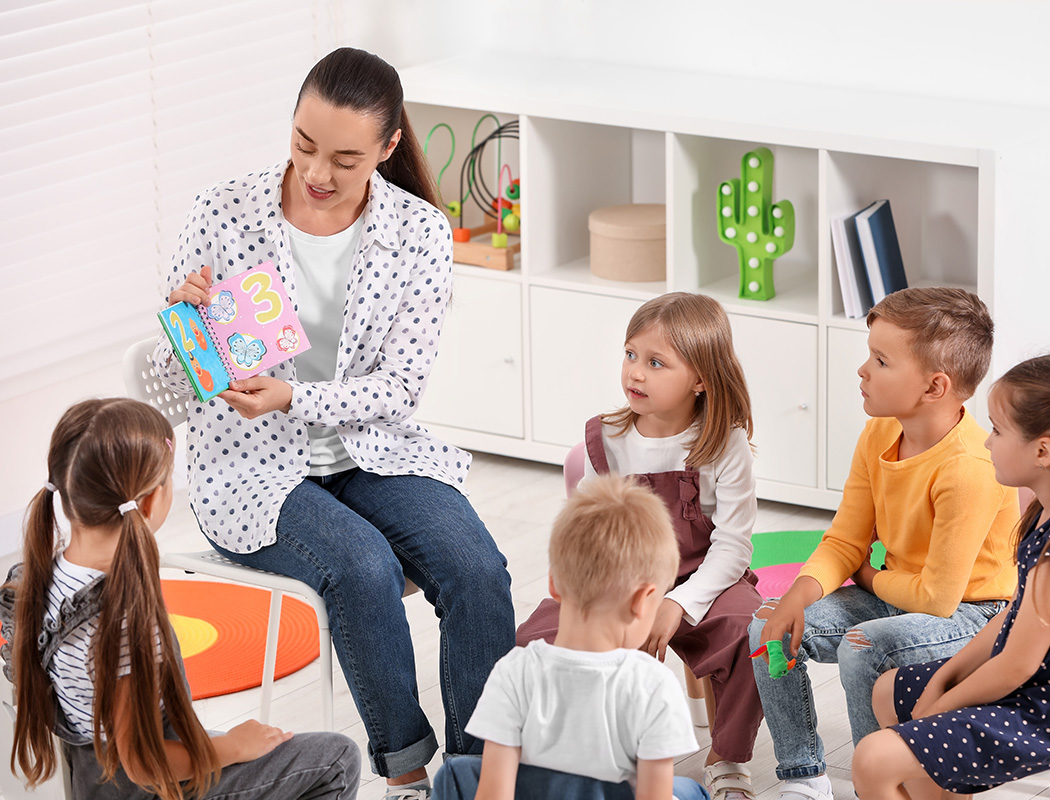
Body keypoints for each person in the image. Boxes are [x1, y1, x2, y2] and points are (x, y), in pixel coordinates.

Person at [154, 47, 515, 798]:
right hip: (254, 466)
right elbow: (181, 382)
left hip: (374, 450)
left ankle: (481, 777)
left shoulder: (417, 232)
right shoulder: (224, 212)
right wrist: (183, 321)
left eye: (345, 159)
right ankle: (409, 775)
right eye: (303, 145)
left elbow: (401, 388)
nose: (318, 172)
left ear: (387, 149)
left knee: (479, 570)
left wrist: (296, 399)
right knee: (361, 568)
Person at [0, 398, 359, 800]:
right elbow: (142, 763)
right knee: (336, 759)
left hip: (91, 774)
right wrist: (233, 747)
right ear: (151, 500)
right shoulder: (122, 623)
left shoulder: (32, 581)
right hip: (148, 787)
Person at [749, 287, 1020, 800]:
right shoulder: (878, 435)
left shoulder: (969, 469)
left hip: (970, 614)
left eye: (880, 360)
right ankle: (803, 776)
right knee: (767, 623)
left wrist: (869, 575)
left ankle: (875, 782)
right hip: (899, 597)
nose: (862, 370)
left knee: (861, 649)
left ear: (934, 387)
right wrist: (799, 596)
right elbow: (846, 539)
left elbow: (939, 598)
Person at [852, 353, 1050, 800]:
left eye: (998, 431)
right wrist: (949, 672)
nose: (987, 443)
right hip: (1042, 689)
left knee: (872, 759)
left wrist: (941, 707)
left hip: (1047, 713)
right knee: (888, 689)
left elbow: (1015, 666)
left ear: (1043, 451)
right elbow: (1011, 618)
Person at [516, 292, 763, 800]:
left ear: (700, 379)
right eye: (630, 355)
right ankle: (585, 758)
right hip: (618, 581)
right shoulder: (605, 438)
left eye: (656, 363)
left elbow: (733, 547)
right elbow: (587, 534)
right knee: (534, 640)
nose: (636, 373)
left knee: (754, 634)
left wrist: (677, 603)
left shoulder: (726, 445)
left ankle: (728, 758)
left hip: (706, 580)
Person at [434, 474, 707, 800]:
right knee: (691, 792)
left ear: (554, 583)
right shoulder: (654, 686)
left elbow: (494, 794)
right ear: (642, 600)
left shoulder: (513, 671)